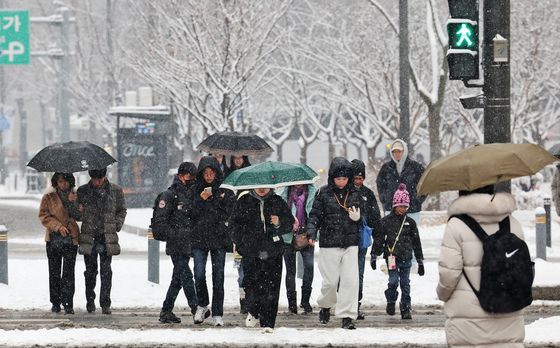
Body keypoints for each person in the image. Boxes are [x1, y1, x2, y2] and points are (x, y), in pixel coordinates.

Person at [437, 185, 525, 347]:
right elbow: (523, 270)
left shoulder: (456, 225)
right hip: (508, 311)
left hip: (469, 320)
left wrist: (442, 294)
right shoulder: (513, 224)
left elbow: (448, 274)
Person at [307, 157, 364, 330]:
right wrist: (311, 232)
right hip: (329, 242)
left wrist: (358, 217)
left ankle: (347, 316)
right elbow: (315, 216)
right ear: (332, 177)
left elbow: (364, 213)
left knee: (350, 281)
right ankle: (325, 305)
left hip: (350, 242)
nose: (341, 182)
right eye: (338, 178)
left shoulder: (354, 193)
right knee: (330, 282)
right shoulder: (323, 193)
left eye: (344, 178)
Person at [229, 187, 294, 332]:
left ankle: (268, 323)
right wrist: (242, 243)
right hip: (251, 252)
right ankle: (254, 309)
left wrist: (278, 222)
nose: (262, 189)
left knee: (271, 288)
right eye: (259, 186)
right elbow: (234, 226)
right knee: (251, 284)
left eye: (265, 186)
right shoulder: (244, 202)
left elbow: (289, 223)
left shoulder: (277, 201)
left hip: (272, 251)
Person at [187, 156, 235, 326]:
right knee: (198, 273)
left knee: (218, 277)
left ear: (216, 173)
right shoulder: (194, 189)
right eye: (205, 173)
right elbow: (189, 212)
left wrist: (216, 199)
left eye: (211, 173)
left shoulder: (224, 190)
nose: (208, 176)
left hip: (219, 238)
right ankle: (202, 304)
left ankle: (218, 313)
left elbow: (229, 212)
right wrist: (201, 199)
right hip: (199, 237)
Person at [152, 162, 199, 324]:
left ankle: (166, 310)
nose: (192, 179)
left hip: (187, 244)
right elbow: (160, 222)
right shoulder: (169, 195)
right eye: (189, 176)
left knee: (178, 278)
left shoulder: (191, 194)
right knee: (186, 275)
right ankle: (196, 309)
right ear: (180, 176)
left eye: (194, 176)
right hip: (176, 244)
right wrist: (176, 235)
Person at [77, 167, 127, 315]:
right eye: (94, 179)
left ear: (104, 177)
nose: (97, 182)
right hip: (89, 236)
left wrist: (116, 224)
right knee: (90, 271)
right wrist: (77, 207)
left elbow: (122, 210)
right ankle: (90, 301)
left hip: (106, 236)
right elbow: (76, 215)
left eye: (99, 179)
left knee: (106, 271)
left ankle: (105, 303)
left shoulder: (115, 191)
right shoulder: (83, 191)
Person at [371, 183, 424, 320]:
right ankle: (391, 299)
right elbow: (379, 239)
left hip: (406, 257)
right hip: (392, 257)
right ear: (395, 205)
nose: (402, 209)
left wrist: (420, 260)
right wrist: (374, 255)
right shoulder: (386, 221)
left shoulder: (410, 223)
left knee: (405, 284)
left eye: (405, 206)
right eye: (400, 206)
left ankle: (406, 307)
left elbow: (416, 242)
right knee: (393, 281)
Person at [39, 172, 81, 315]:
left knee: (69, 273)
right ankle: (55, 302)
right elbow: (44, 216)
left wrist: (72, 203)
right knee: (54, 272)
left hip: (71, 238)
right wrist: (58, 226)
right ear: (56, 182)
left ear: (70, 182)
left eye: (66, 181)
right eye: (60, 181)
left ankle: (68, 302)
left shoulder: (75, 195)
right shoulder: (48, 196)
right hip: (53, 238)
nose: (63, 184)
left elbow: (79, 216)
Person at [350, 159, 382, 320]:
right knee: (348, 274)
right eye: (355, 178)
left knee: (359, 273)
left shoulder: (367, 194)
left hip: (361, 240)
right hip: (347, 240)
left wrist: (378, 239)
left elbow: (375, 218)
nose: (358, 181)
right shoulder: (346, 193)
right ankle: (348, 303)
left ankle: (355, 304)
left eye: (360, 178)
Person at [280, 183, 317, 315]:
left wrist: (312, 232)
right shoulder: (284, 195)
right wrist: (288, 222)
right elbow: (279, 215)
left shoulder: (312, 193)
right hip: (288, 236)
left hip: (306, 235)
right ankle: (292, 304)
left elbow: (315, 215)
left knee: (309, 267)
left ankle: (305, 301)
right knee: (290, 270)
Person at [376, 139, 425, 223]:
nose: (396, 154)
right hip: (391, 209)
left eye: (399, 151)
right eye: (394, 151)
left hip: (411, 210)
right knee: (391, 234)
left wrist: (417, 200)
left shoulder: (416, 167)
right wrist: (385, 199)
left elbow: (424, 184)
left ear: (404, 151)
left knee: (411, 234)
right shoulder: (386, 168)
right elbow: (380, 184)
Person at [228, 154, 251, 314]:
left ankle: (250, 299)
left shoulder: (250, 174)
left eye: (240, 158)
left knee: (251, 271)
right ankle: (243, 299)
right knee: (241, 272)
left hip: (250, 232)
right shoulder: (228, 176)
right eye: (235, 158)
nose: (237, 160)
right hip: (237, 232)